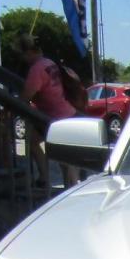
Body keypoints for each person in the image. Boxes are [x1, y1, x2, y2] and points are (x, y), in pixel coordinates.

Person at [13, 33, 83, 189]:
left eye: (21, 54)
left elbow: (26, 96)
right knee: (60, 154)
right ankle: (66, 187)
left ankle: (47, 179)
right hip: (67, 113)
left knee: (60, 155)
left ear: (28, 52)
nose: (21, 58)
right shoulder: (49, 63)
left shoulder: (36, 69)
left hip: (55, 118)